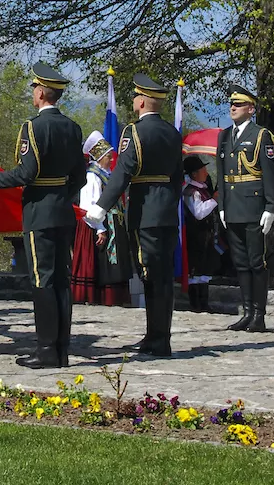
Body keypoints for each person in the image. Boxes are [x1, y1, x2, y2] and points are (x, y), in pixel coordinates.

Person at [0, 62, 85, 368]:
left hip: (38, 213)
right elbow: (81, 177)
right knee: (62, 281)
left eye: (34, 88)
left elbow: (26, 173)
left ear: (40, 92)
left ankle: (46, 350)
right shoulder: (73, 128)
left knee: (42, 280)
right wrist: (60, 192)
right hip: (63, 211)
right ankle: (61, 350)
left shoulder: (32, 128)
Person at [86, 73, 183, 358]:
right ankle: (156, 336)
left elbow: (123, 172)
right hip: (166, 212)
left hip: (146, 213)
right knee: (163, 277)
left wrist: (101, 206)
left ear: (141, 101)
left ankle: (158, 340)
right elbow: (177, 176)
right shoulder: (173, 133)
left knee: (152, 276)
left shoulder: (134, 132)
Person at [216, 84, 274, 332]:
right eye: (232, 104)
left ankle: (259, 315)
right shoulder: (224, 136)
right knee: (240, 263)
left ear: (251, 109)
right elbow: (221, 174)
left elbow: (271, 175)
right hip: (232, 207)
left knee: (256, 262)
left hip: (254, 206)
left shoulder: (262, 135)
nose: (233, 107)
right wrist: (221, 205)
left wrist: (271, 207)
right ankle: (247, 311)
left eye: (239, 104)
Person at [71, 133, 131, 306]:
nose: (110, 160)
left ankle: (115, 298)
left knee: (114, 262)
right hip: (97, 225)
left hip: (112, 223)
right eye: (107, 157)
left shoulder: (107, 175)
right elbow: (89, 205)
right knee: (100, 262)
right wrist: (100, 228)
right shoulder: (92, 176)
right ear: (99, 157)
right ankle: (97, 296)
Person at [181, 154, 221, 312]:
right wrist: (214, 200)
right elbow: (198, 212)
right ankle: (196, 304)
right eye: (202, 170)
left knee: (204, 269)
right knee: (195, 271)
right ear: (194, 174)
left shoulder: (203, 189)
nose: (206, 172)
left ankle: (204, 302)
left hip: (205, 238)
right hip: (196, 238)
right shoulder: (190, 192)